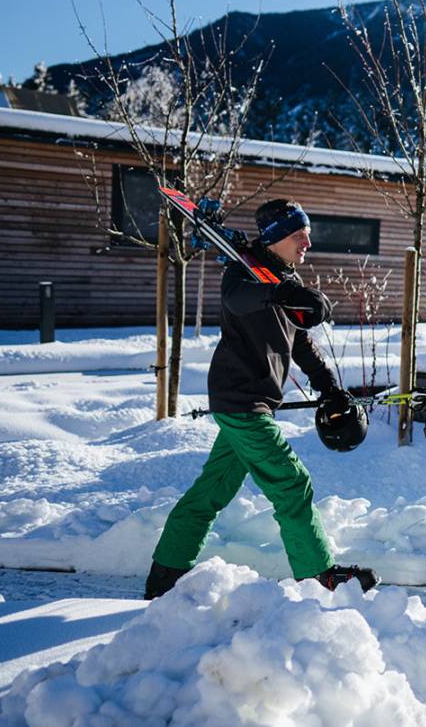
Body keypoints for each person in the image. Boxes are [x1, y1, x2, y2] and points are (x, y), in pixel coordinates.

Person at [143, 199, 377, 600]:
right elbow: (237, 299)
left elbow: (300, 342)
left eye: (307, 234)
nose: (307, 242)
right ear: (276, 238)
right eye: (298, 234)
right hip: (242, 402)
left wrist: (329, 386)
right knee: (292, 482)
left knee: (210, 492)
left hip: (248, 402)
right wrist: (282, 291)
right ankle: (318, 575)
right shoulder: (243, 274)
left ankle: (164, 576)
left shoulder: (281, 278)